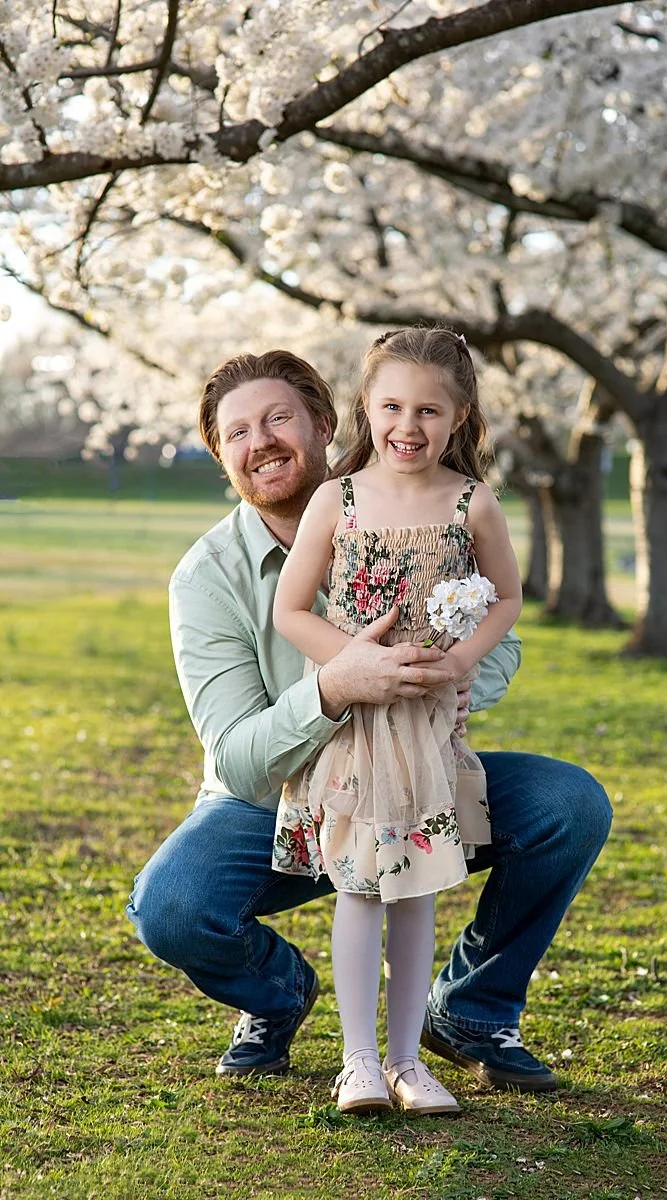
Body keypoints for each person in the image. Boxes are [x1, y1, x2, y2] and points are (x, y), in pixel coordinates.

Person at [126, 339, 611, 1108]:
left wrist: (455, 678)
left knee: (567, 804)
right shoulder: (207, 576)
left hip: (416, 767)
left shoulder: (435, 502)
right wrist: (334, 688)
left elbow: (499, 632)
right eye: (238, 434)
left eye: (278, 419)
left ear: (323, 421)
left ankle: (471, 1012)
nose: (262, 445)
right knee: (172, 905)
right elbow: (240, 758)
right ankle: (279, 995)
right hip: (268, 807)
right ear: (221, 457)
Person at [270, 328, 523, 1114]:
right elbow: (291, 610)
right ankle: (358, 1063)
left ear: (460, 418)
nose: (407, 426)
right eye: (391, 407)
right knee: (359, 888)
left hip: (425, 731)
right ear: (366, 410)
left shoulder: (469, 502)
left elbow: (508, 597)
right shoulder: (335, 500)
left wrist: (461, 660)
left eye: (428, 411)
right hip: (355, 729)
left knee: (416, 889)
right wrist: (353, 665)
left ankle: (410, 1061)